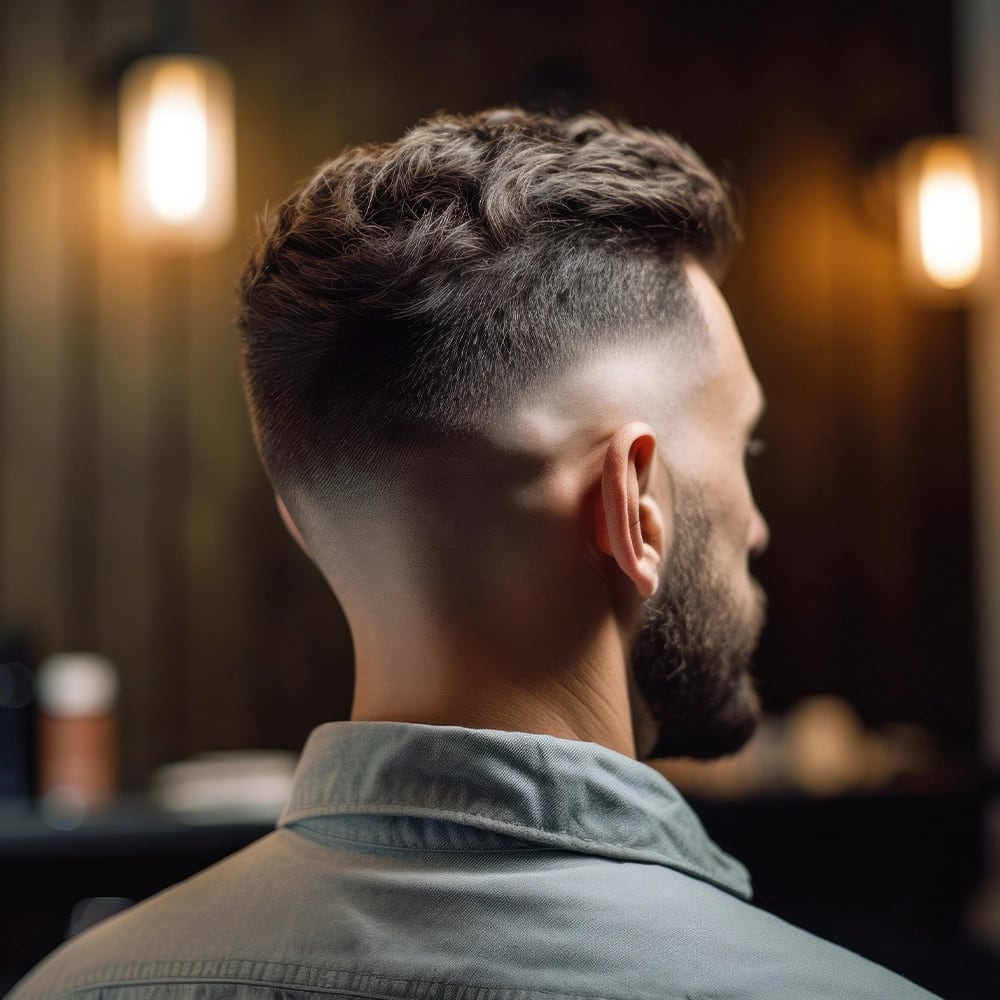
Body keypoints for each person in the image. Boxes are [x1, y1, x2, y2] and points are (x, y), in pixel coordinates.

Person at [9, 108, 940, 999]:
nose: (759, 525)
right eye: (746, 447)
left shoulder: (65, 988)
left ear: (301, 522)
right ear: (637, 508)